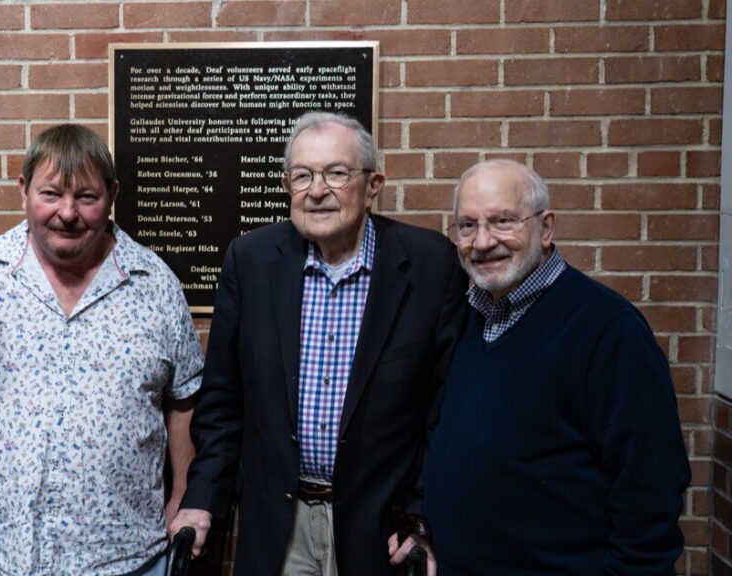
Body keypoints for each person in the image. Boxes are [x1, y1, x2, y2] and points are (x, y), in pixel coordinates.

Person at [171, 111, 469, 575]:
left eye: (336, 173)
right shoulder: (249, 262)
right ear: (287, 185)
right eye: (303, 175)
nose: (316, 190)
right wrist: (202, 497)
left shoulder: (432, 265)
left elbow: (444, 411)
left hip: (381, 530)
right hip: (278, 528)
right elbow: (223, 403)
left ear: (373, 186)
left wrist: (421, 517)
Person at [424, 159, 691, 574]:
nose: (483, 241)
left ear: (546, 227)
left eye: (503, 221)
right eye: (467, 226)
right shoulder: (469, 317)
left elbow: (650, 486)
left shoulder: (607, 329)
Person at [0, 124, 204, 575]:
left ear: (112, 194)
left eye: (87, 197)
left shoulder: (155, 285)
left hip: (131, 559)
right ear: (23, 190)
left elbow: (183, 399)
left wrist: (182, 495)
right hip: (5, 558)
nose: (68, 213)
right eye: (51, 194)